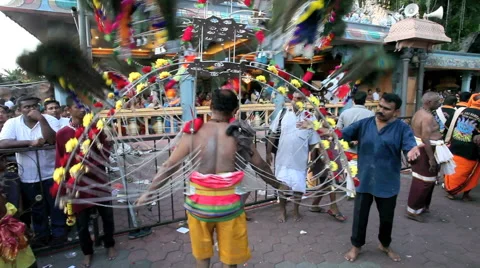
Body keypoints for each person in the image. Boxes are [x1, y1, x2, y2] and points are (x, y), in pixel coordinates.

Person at [137, 89, 283, 268]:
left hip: (199, 206)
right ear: (235, 110)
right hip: (229, 206)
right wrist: (279, 186)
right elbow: (260, 165)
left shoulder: (193, 132)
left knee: (202, 258)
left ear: (210, 106)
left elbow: (169, 166)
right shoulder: (239, 134)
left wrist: (148, 194)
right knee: (230, 261)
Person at [341, 93, 420, 263]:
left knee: (386, 218)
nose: (381, 111)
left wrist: (412, 151)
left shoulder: (402, 128)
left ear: (396, 112)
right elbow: (343, 133)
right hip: (365, 179)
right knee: (360, 215)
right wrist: (323, 129)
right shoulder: (365, 123)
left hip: (388, 182)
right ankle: (356, 246)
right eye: (380, 106)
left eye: (386, 109)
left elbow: (409, 146)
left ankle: (384, 244)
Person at [54, 97, 116, 267]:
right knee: (81, 223)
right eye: (77, 107)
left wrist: (93, 164)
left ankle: (109, 244)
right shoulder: (62, 133)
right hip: (77, 184)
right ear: (68, 110)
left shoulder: (96, 127)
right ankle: (87, 252)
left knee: (107, 215)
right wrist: (65, 183)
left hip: (98, 178)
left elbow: (106, 150)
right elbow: (60, 160)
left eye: (84, 107)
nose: (82, 110)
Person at [0, 96, 65, 247]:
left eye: (34, 106)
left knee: (55, 205)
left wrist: (41, 119)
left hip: (51, 172)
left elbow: (53, 140)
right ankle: (42, 236)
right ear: (19, 110)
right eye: (27, 107)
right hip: (28, 175)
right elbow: (2, 143)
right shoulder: (12, 123)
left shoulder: (49, 119)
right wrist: (30, 142)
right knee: (37, 207)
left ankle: (59, 234)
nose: (31, 110)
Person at [266, 92, 320, 223]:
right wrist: (268, 153)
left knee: (298, 187)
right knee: (282, 186)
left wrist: (312, 160)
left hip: (299, 160)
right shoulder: (283, 114)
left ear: (304, 100)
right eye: (295, 98)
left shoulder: (310, 117)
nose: (297, 101)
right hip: (282, 158)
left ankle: (296, 210)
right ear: (291, 99)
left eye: (300, 99)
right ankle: (282, 211)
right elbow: (273, 134)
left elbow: (313, 142)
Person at [406, 92, 452, 222]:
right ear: (429, 103)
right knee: (424, 181)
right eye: (437, 101)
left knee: (428, 180)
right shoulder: (427, 117)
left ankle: (421, 206)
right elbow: (425, 138)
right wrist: (431, 158)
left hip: (426, 149)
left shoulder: (420, 112)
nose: (440, 103)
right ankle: (413, 211)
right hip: (426, 151)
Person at [444, 94, 480, 201]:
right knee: (470, 172)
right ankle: (465, 194)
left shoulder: (461, 111)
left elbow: (450, 125)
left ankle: (450, 192)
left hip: (455, 145)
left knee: (453, 169)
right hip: (471, 149)